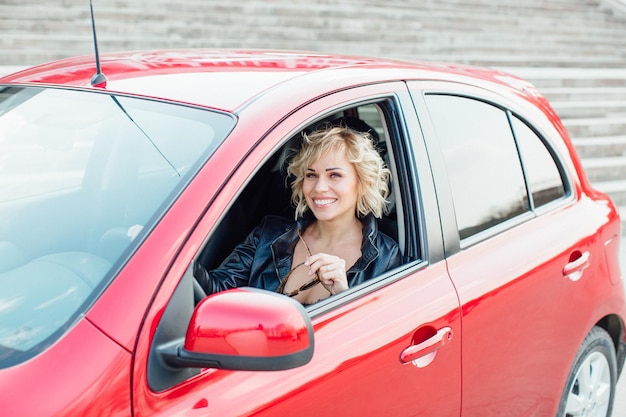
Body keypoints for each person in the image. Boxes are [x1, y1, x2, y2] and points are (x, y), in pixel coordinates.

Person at [194, 125, 403, 305]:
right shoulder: (268, 234)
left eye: (334, 175)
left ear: (362, 182)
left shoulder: (385, 258)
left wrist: (343, 295)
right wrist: (178, 257)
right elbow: (214, 293)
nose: (319, 187)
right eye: (311, 175)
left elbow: (378, 337)